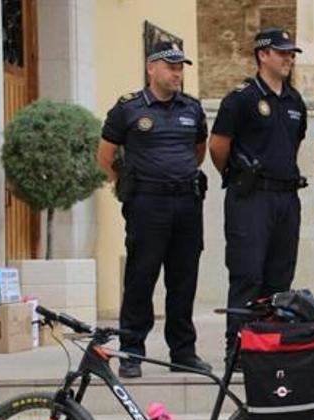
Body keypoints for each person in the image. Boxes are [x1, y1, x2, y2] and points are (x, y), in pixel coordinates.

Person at [97, 41, 210, 378]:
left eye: (180, 67)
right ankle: (131, 351)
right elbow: (105, 157)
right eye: (171, 66)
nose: (177, 73)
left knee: (183, 279)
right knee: (141, 277)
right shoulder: (128, 109)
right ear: (151, 68)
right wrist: (128, 184)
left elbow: (198, 152)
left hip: (187, 203)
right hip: (147, 205)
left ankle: (183, 352)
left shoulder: (192, 108)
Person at [209, 28, 307, 365]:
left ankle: (267, 345)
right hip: (251, 197)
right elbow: (218, 146)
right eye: (281, 52)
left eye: (291, 53)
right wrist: (239, 177)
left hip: (285, 197)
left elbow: (292, 146)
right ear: (262, 55)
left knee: (279, 276)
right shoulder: (242, 98)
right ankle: (237, 349)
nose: (288, 58)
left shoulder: (294, 101)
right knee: (247, 273)